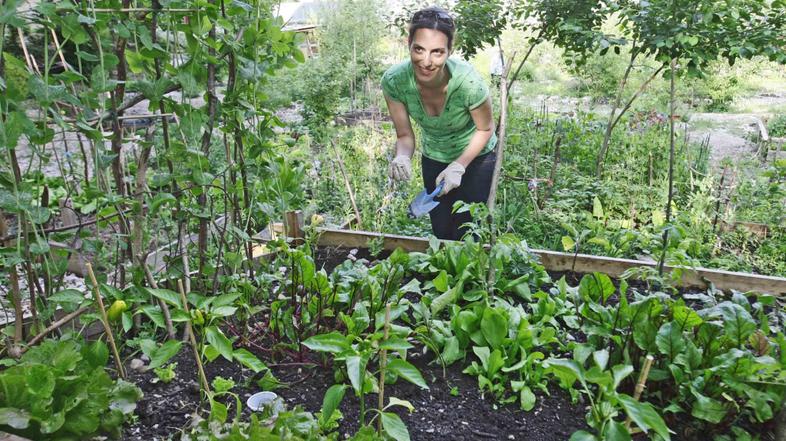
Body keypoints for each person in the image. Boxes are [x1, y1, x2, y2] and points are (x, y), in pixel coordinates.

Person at [382, 6, 497, 241]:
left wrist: (459, 166)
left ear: (449, 51)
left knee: (467, 230)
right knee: (441, 228)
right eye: (419, 49)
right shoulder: (395, 81)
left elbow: (485, 129)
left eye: (437, 52)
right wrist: (401, 156)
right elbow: (404, 135)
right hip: (434, 155)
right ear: (408, 44)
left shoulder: (467, 83)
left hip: (476, 157)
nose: (426, 61)